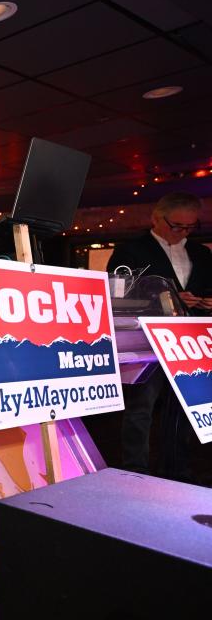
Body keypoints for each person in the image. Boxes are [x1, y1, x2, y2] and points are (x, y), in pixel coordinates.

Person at [107, 192, 212, 480]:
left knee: (182, 409)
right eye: (176, 226)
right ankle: (135, 469)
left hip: (189, 342)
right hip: (150, 339)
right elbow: (118, 296)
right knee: (141, 407)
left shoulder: (202, 253)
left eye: (190, 227)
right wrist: (170, 298)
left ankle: (177, 467)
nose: (183, 233)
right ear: (156, 218)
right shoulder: (131, 251)